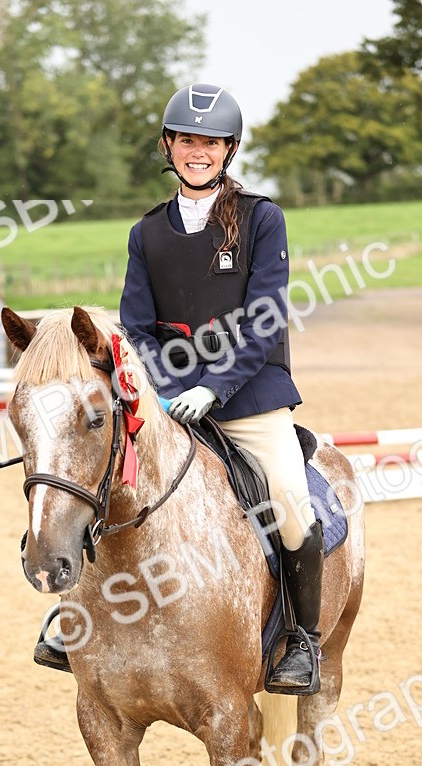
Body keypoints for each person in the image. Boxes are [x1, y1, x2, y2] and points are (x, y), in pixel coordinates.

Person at [36, 83, 323, 693]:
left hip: (248, 395)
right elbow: (136, 327)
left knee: (293, 505)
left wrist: (214, 388)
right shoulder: (147, 233)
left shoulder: (260, 219)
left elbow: (264, 318)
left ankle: (302, 640)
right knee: (94, 477)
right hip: (166, 400)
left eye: (211, 142)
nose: (199, 151)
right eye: (188, 140)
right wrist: (162, 390)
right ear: (169, 145)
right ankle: (73, 617)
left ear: (230, 149)